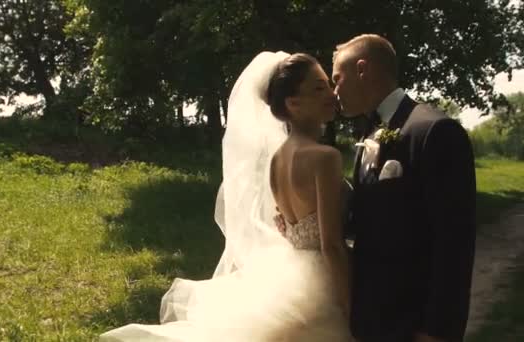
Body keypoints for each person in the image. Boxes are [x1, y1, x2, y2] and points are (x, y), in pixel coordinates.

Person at [100, 51, 352, 341]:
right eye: (318, 88)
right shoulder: (325, 157)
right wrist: (349, 307)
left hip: (287, 270)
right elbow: (331, 244)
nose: (331, 94)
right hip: (321, 281)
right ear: (293, 104)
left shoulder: (277, 160)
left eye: (328, 85)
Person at [332, 34, 477, 342]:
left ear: (362, 69)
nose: (335, 92)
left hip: (413, 322)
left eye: (337, 79)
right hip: (373, 318)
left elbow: (455, 243)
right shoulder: (368, 133)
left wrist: (438, 329)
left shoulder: (434, 131)